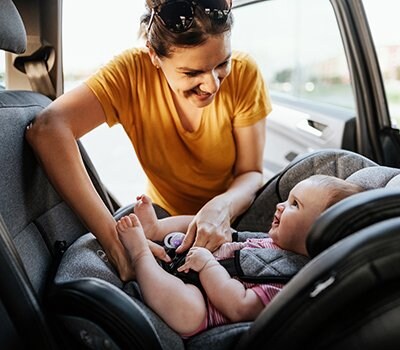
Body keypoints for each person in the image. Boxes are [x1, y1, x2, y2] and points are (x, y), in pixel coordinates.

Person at [25, 0, 271, 281]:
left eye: (222, 64)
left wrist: (221, 206)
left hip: (234, 216)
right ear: (154, 55)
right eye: (192, 73)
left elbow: (250, 173)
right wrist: (115, 245)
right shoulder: (131, 73)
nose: (213, 84)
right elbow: (47, 129)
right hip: (164, 222)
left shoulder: (245, 73)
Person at [116, 175, 365, 336]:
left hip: (206, 307)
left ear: (318, 235)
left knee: (188, 313)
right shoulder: (273, 243)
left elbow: (240, 306)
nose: (280, 206)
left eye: (294, 205)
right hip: (195, 261)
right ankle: (156, 229)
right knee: (217, 227)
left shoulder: (290, 282)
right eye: (287, 199)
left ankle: (139, 256)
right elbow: (234, 243)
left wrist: (208, 267)